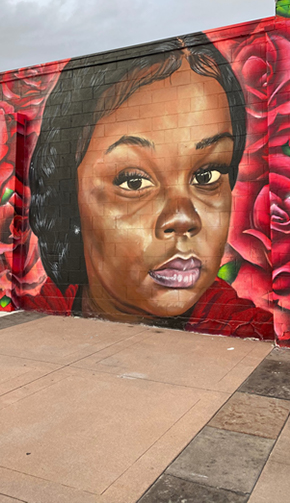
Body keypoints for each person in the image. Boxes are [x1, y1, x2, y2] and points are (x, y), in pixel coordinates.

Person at [26, 33, 273, 340]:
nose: (184, 218)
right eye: (134, 181)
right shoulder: (34, 324)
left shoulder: (250, 332)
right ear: (69, 198)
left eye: (207, 175)